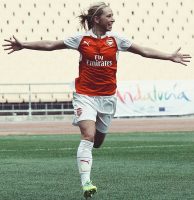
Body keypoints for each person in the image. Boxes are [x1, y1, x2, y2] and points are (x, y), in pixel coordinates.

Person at [2, 2, 191, 199]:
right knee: (88, 135)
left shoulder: (117, 40)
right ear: (97, 19)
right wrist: (23, 45)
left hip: (107, 98)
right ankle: (86, 183)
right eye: (109, 16)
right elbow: (51, 45)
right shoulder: (81, 39)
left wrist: (170, 56)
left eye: (112, 16)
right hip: (85, 96)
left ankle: (90, 151)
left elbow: (143, 51)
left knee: (98, 142)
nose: (113, 19)